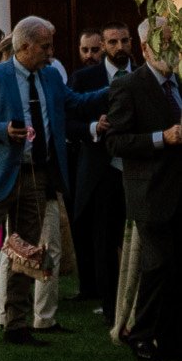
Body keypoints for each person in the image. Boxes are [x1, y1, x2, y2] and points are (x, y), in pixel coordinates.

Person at [0, 14, 105, 348]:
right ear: (25, 46)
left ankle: (16, 324)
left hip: (35, 174)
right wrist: (2, 131)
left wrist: (116, 86)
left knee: (24, 252)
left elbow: (77, 103)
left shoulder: (50, 78)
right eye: (45, 46)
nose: (50, 52)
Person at [104, 18, 182, 361]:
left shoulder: (178, 83)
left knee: (174, 265)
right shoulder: (130, 86)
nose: (171, 50)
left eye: (174, 43)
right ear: (146, 48)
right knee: (157, 264)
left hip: (179, 187)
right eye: (164, 43)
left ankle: (168, 337)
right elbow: (115, 141)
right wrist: (160, 139)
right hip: (149, 191)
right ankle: (142, 334)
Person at [72, 20, 134, 317]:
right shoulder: (84, 79)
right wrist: (93, 126)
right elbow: (66, 121)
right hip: (102, 168)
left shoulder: (145, 75)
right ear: (105, 45)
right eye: (113, 42)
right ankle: (110, 306)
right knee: (104, 239)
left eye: (124, 40)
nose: (119, 47)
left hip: (139, 166)